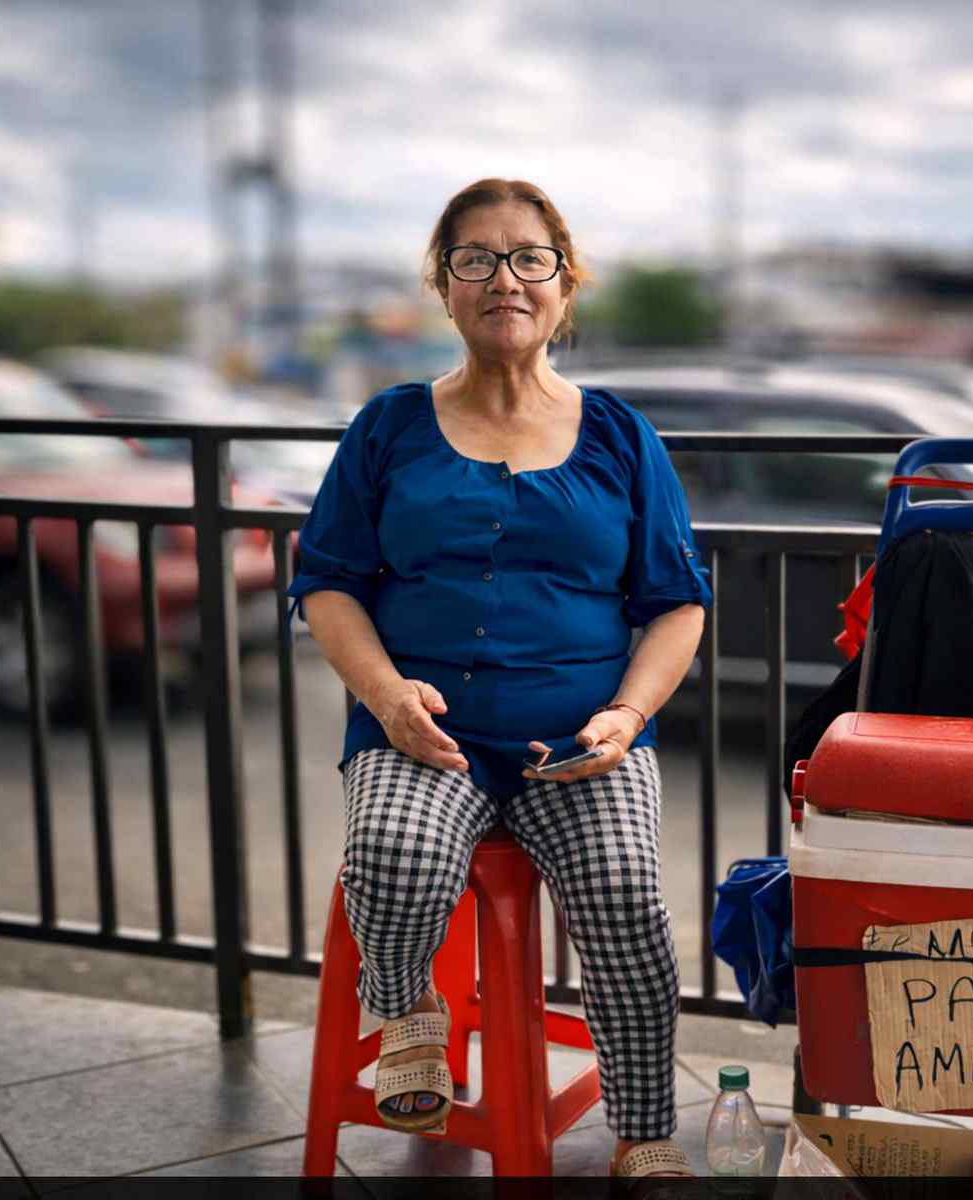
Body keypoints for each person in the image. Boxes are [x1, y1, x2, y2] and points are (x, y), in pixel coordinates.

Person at [286, 179, 712, 1182]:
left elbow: (676, 603)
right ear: (444, 286)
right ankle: (410, 1010)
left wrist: (628, 714)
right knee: (393, 851)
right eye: (475, 259)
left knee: (624, 894)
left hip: (581, 738)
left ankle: (643, 1132)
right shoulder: (389, 425)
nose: (504, 279)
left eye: (530, 258)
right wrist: (387, 697)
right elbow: (328, 584)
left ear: (566, 284)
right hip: (422, 730)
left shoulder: (620, 435)